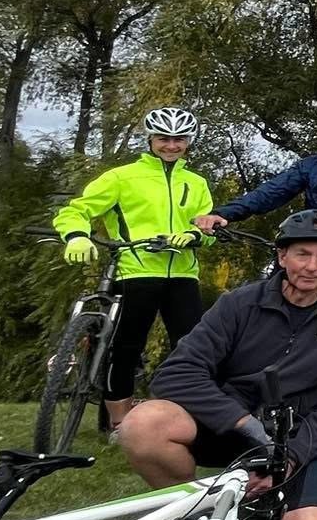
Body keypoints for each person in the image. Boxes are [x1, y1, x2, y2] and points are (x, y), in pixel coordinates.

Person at [127, 209, 317, 520]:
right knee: (143, 424)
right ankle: (189, 512)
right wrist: (245, 424)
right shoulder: (238, 304)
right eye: (302, 254)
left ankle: (249, 499)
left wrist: (291, 457)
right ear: (282, 256)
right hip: (228, 425)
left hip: (296, 435)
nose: (312, 267)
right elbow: (175, 374)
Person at [51, 106, 216, 433]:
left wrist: (194, 236)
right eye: (163, 138)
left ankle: (190, 416)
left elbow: (208, 230)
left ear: (188, 141)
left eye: (179, 139)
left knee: (193, 349)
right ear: (150, 139)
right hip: (134, 271)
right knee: (126, 347)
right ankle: (119, 422)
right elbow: (76, 211)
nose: (171, 145)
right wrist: (76, 236)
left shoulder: (196, 182)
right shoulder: (121, 177)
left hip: (182, 275)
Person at [195, 103, 317, 294]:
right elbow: (271, 192)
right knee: (271, 294)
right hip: (312, 241)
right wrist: (223, 214)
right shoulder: (311, 165)